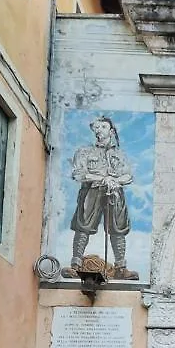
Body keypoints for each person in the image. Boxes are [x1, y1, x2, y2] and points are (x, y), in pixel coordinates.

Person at [61, 116, 139, 280]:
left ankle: (120, 268)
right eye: (96, 127)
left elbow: (128, 175)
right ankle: (75, 265)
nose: (99, 130)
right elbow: (78, 174)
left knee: (118, 229)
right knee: (83, 226)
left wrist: (115, 181)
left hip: (115, 192)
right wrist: (101, 179)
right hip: (92, 191)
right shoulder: (85, 151)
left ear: (111, 131)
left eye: (103, 127)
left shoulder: (120, 154)